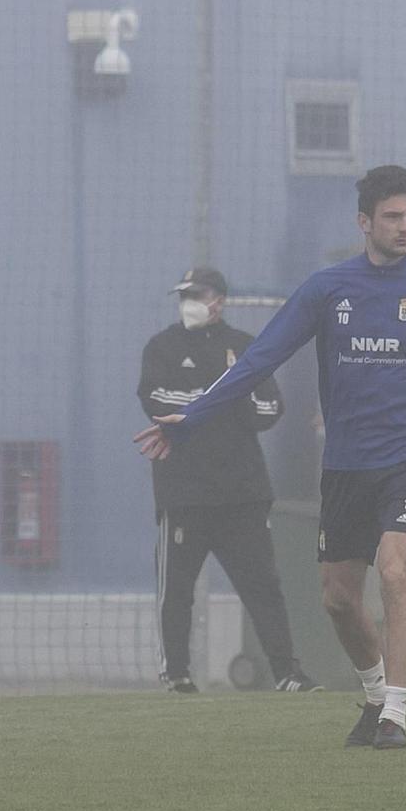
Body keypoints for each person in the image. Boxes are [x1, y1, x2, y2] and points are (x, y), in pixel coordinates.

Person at [137, 166, 406, 749]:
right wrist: (193, 418)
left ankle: (396, 717)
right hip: (346, 467)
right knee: (336, 599)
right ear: (364, 222)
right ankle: (376, 695)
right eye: (392, 217)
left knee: (397, 570)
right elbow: (258, 363)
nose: (405, 227)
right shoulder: (328, 290)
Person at [138, 265, 319, 694]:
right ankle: (177, 674)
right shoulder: (162, 347)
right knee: (176, 591)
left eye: (197, 294)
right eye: (184, 295)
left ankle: (286, 672)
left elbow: (269, 408)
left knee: (263, 587)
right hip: (183, 494)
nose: (190, 303)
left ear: (219, 299)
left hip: (242, 493)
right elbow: (157, 400)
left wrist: (213, 404)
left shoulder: (243, 347)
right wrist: (219, 399)